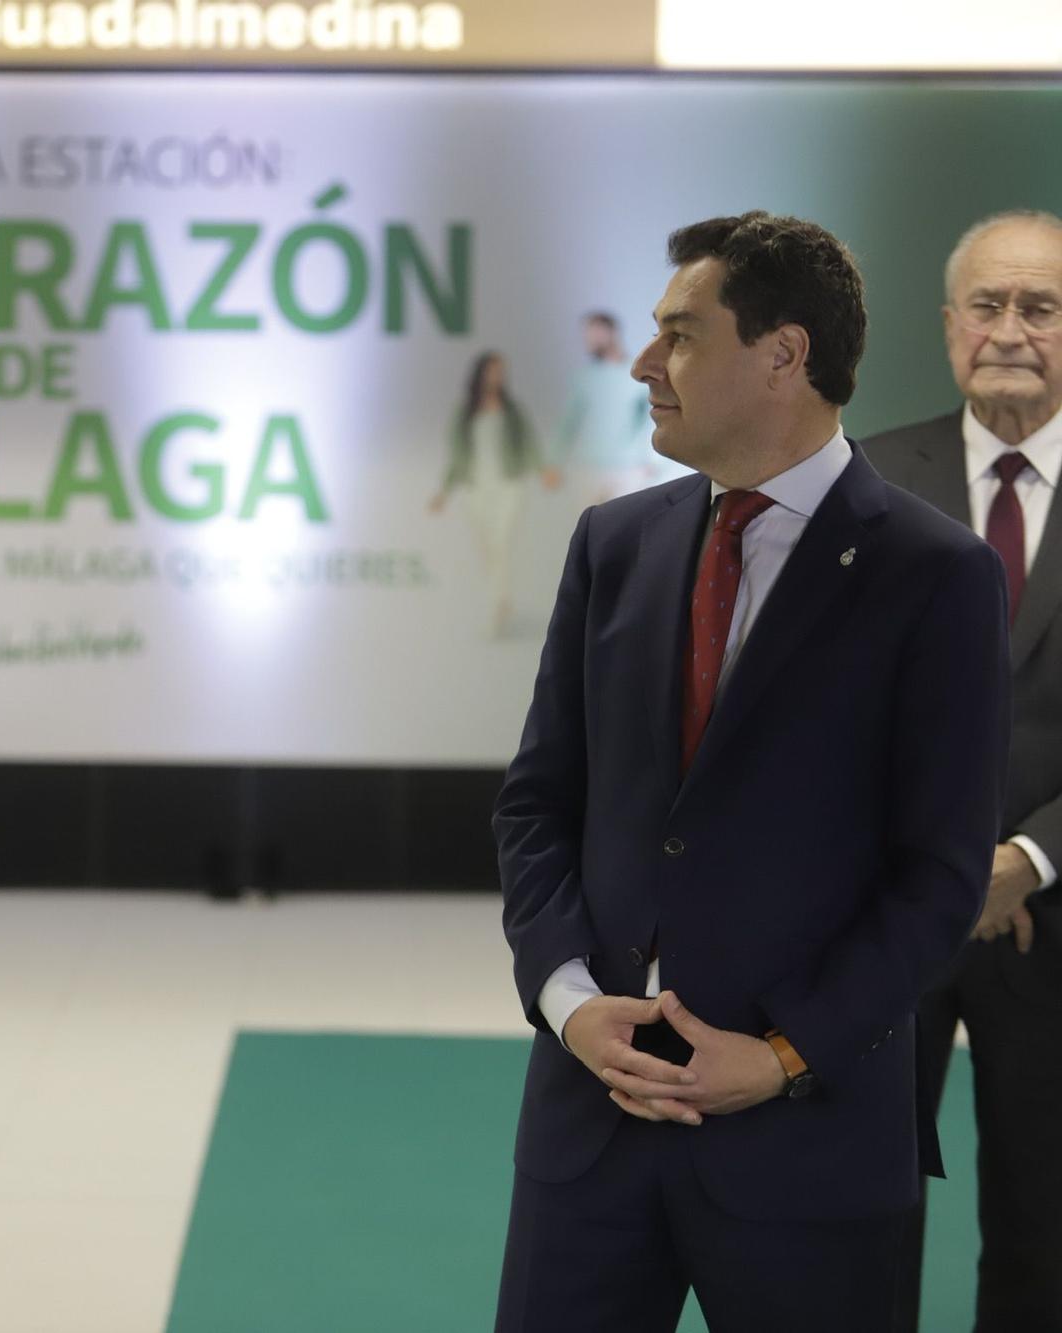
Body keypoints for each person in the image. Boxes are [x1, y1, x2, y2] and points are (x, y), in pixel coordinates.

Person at [493, 211, 1011, 1333]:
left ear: (781, 354)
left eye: (678, 334)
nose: (643, 363)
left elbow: (935, 879)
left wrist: (776, 1056)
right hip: (589, 1132)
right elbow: (537, 806)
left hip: (807, 1145)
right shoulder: (611, 544)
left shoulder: (937, 576)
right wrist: (570, 1005)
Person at [866, 209, 1062, 1333]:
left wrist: (1025, 860)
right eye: (985, 306)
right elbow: (822, 718)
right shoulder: (865, 483)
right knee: (859, 1214)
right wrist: (947, 872)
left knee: (1042, 1231)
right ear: (946, 328)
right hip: (882, 929)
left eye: (1037, 307)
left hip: (1053, 922)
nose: (1008, 331)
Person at [429, 351, 541, 637]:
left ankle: (499, 604)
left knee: (501, 543)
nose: (497, 377)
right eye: (492, 371)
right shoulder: (465, 412)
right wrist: (443, 491)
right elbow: (456, 456)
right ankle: (499, 599)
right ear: (480, 374)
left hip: (508, 484)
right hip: (475, 487)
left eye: (501, 371)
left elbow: (528, 444)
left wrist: (541, 469)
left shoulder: (512, 410)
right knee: (486, 548)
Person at [551, 311, 657, 502]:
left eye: (595, 333)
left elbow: (651, 419)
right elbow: (567, 424)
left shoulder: (635, 374)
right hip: (589, 469)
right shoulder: (584, 378)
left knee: (625, 527)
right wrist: (554, 463)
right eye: (587, 335)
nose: (589, 339)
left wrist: (651, 459)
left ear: (611, 332)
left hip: (629, 470)